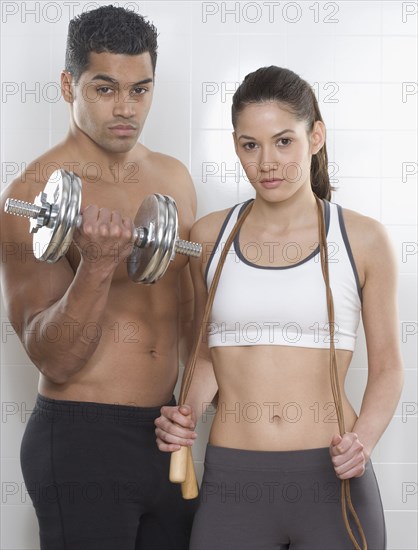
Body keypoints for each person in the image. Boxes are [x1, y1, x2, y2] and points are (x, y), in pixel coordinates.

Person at [155, 66, 404, 550]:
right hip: (233, 481)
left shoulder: (362, 239)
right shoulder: (209, 238)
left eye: (283, 141)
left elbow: (390, 366)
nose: (268, 162)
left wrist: (365, 441)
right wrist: (186, 409)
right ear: (235, 147)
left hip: (332, 479)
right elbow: (208, 354)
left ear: (316, 137)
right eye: (251, 145)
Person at [0, 5, 197, 549]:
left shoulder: (173, 179)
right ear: (69, 85)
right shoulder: (32, 195)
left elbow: (188, 315)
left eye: (141, 89)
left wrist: (194, 403)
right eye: (105, 88)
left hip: (165, 435)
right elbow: (53, 357)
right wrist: (99, 263)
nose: (126, 107)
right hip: (81, 436)